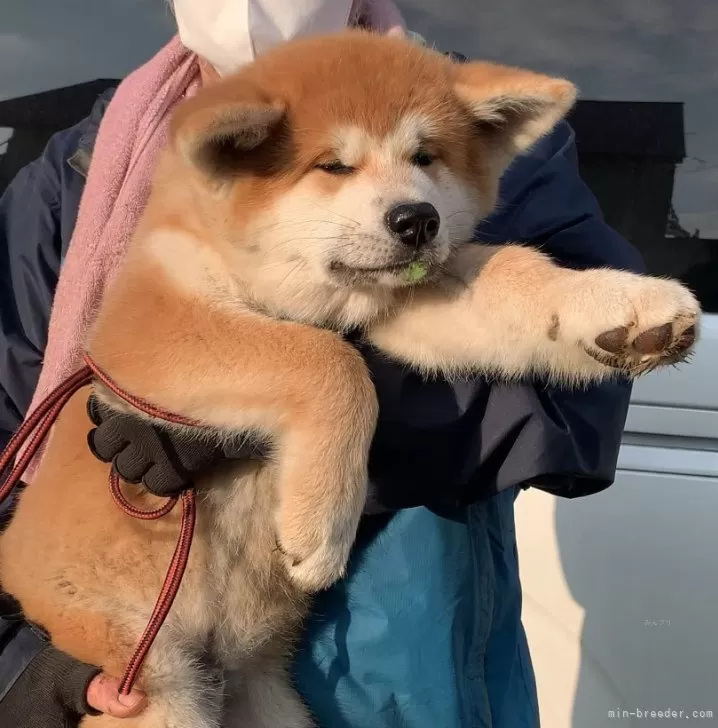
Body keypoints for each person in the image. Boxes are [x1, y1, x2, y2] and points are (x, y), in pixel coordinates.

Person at [0, 0, 645, 726]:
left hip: (392, 647)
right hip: (131, 635)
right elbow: (11, 417)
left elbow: (589, 381)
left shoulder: (461, 122)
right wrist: (23, 661)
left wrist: (282, 404)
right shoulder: (83, 165)